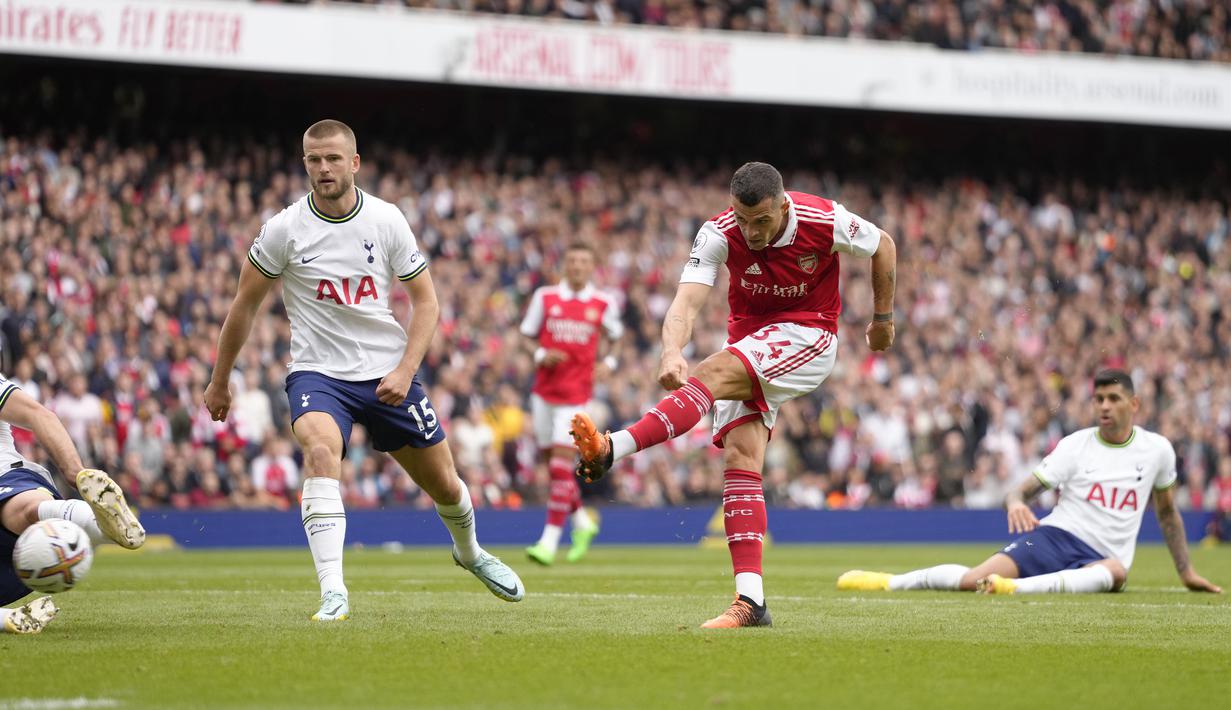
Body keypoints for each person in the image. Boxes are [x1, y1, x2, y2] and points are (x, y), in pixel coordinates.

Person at [204, 119, 524, 622]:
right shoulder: (284, 228)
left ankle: (470, 552)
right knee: (320, 449)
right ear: (304, 163)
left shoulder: (386, 219)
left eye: (333, 159)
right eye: (314, 160)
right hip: (318, 373)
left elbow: (427, 302)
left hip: (386, 373)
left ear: (354, 163)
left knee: (444, 484)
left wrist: (405, 369)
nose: (323, 168)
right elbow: (243, 307)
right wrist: (219, 379)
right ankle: (333, 589)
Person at [571, 162, 897, 627]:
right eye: (743, 220)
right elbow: (685, 301)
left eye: (761, 221)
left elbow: (883, 244)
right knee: (741, 459)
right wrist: (669, 351)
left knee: (714, 371)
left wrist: (882, 320)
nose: (751, 231)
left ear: (782, 206)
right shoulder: (719, 232)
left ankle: (613, 447)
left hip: (809, 337)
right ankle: (752, 601)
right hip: (749, 342)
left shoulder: (823, 219)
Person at [837, 370, 1222, 595]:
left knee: (1117, 571)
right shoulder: (1075, 446)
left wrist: (1186, 572)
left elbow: (1168, 513)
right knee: (974, 580)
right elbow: (1019, 490)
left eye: (1114, 399)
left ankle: (1015, 589)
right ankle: (891, 582)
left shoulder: (1158, 451)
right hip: (1057, 537)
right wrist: (1016, 503)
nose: (1104, 406)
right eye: (1099, 399)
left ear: (1134, 405)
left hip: (1106, 558)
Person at [0, 374, 146, 634]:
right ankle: (92, 523)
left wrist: (76, 474)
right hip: (21, 568)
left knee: (22, 509)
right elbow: (40, 414)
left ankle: (98, 521)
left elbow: (37, 415)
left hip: (6, 483)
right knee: (24, 510)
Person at [520, 243, 622, 565]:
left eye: (584, 261)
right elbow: (525, 335)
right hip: (543, 393)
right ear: (565, 264)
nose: (577, 266)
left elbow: (617, 337)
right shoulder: (545, 297)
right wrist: (539, 354)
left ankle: (548, 541)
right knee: (556, 469)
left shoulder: (603, 303)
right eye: (573, 260)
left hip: (577, 396)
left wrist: (610, 363)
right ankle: (582, 522)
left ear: (592, 267)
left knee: (560, 465)